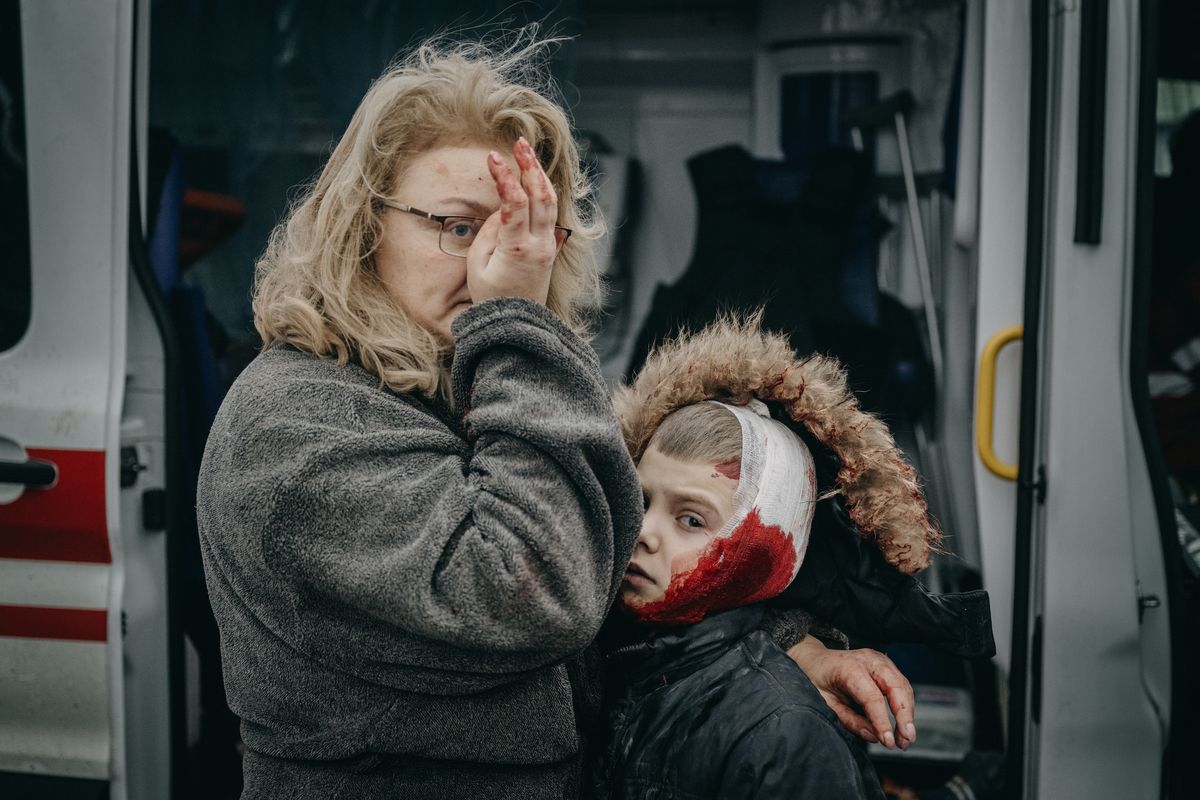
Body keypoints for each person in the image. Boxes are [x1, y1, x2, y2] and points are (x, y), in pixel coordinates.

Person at [197, 29, 919, 800]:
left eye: (522, 230)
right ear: (365, 227)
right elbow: (532, 592)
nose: (491, 261)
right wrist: (510, 316)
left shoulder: (473, 384)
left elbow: (609, 572)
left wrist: (782, 650)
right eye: (456, 226)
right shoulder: (292, 423)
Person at [595, 316, 960, 799]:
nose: (644, 533)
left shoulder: (785, 735)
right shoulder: (612, 648)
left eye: (691, 520)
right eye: (640, 502)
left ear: (765, 557)